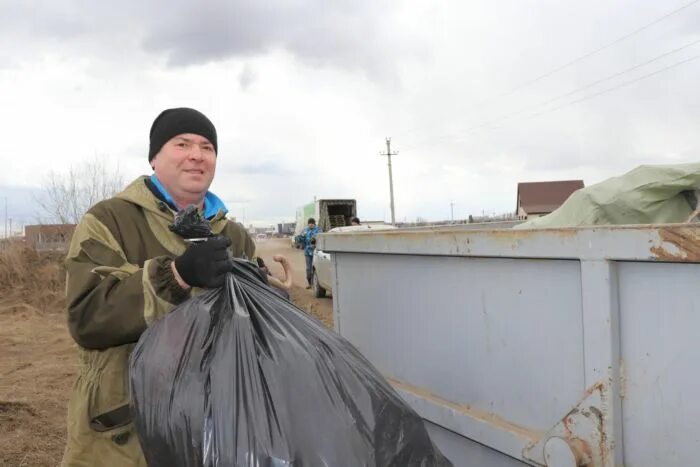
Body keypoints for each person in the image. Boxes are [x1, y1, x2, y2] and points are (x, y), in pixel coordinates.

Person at [61, 108, 261, 466]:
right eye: (182, 143)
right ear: (154, 157)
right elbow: (88, 317)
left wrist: (264, 300)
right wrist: (176, 277)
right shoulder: (109, 220)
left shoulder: (235, 236)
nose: (197, 155)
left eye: (207, 147)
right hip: (125, 432)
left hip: (215, 426)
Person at [301, 218, 320, 289]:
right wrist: (301, 237)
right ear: (308, 224)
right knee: (308, 268)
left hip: (316, 252)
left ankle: (316, 284)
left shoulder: (318, 230)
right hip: (307, 252)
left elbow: (320, 239)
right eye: (309, 223)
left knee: (316, 268)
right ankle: (309, 283)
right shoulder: (305, 230)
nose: (311, 224)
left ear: (314, 224)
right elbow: (301, 240)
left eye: (312, 223)